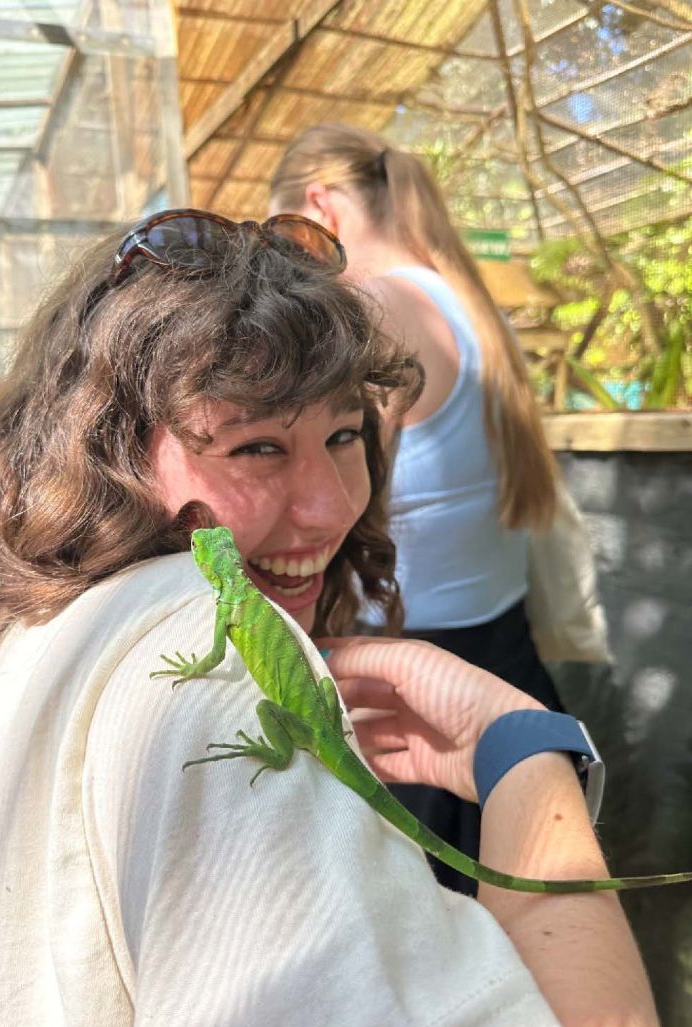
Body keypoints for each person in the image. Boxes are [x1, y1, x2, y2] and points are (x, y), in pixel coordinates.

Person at [0, 212, 662, 1027]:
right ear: (109, 452)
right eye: (255, 445)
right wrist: (523, 754)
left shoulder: (47, 619)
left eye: (342, 434)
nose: (333, 506)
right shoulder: (198, 692)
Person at [270, 123, 571, 894]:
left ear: (320, 205)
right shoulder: (470, 301)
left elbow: (338, 506)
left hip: (413, 680)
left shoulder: (373, 304)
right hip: (504, 649)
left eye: (288, 233)